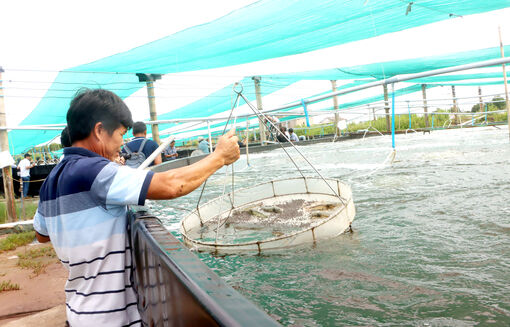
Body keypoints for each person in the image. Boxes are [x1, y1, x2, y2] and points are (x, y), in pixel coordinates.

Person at [33, 89, 240, 326]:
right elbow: (172, 185)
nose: (122, 144)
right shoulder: (94, 171)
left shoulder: (52, 180)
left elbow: (41, 235)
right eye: (121, 134)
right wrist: (219, 157)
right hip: (109, 318)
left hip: (78, 311)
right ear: (100, 131)